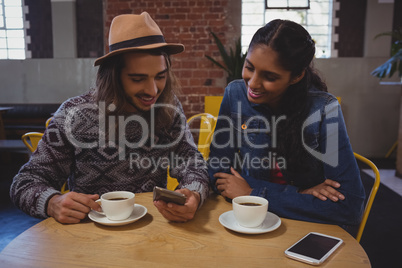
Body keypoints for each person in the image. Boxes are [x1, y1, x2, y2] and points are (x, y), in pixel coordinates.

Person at [10, 12, 209, 224]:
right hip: (88, 235)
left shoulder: (168, 108)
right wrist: (52, 202)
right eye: (137, 79)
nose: (153, 91)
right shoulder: (72, 115)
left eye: (160, 76)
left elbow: (192, 162)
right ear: (112, 76)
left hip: (151, 230)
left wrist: (194, 193)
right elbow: (25, 182)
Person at [208, 19, 365, 226]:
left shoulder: (324, 109)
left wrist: (253, 192)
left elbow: (350, 207)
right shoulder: (235, 94)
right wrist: (301, 194)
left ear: (296, 76)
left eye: (270, 77)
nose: (253, 83)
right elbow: (217, 171)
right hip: (252, 222)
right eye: (249, 67)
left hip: (302, 227)